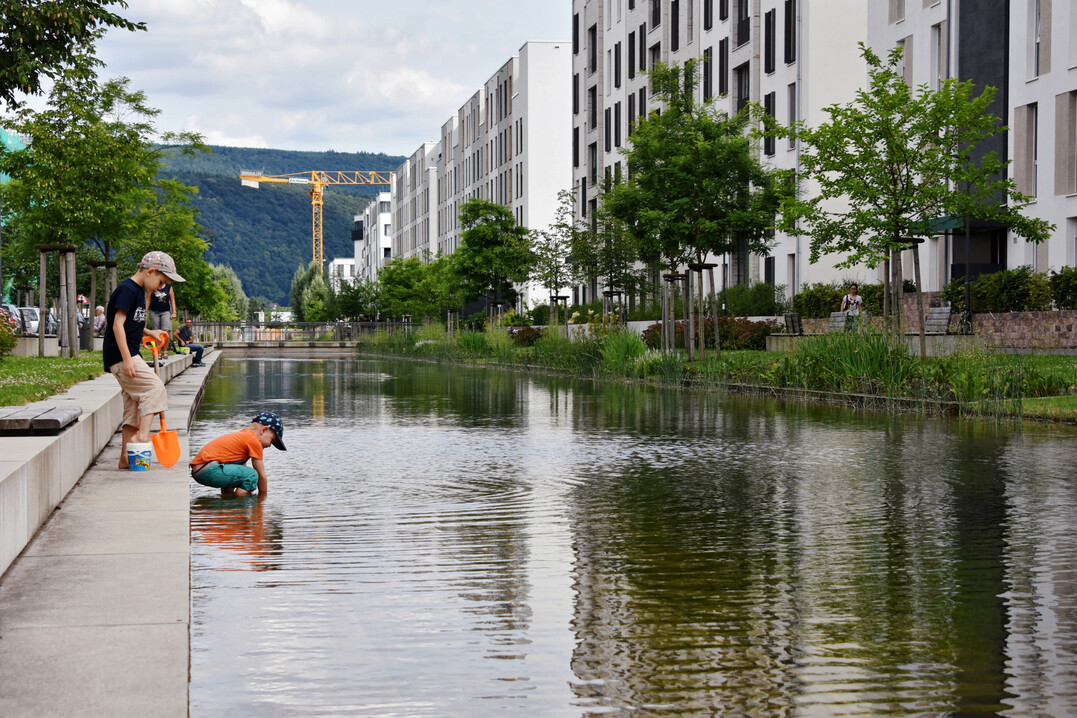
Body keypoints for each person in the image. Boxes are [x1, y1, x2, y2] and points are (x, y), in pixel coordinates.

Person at [103, 251, 185, 469]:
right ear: (150, 271)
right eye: (161, 281)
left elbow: (132, 325)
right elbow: (117, 325)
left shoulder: (140, 292)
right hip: (123, 357)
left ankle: (124, 459)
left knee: (133, 406)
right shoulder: (127, 290)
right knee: (156, 388)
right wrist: (127, 358)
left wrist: (150, 331)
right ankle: (141, 438)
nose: (161, 288)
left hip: (127, 355)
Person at [189, 412, 287, 496]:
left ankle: (229, 503)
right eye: (272, 440)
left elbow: (239, 473)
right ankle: (238, 503)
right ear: (263, 430)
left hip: (201, 470)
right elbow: (261, 475)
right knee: (252, 475)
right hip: (209, 469)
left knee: (240, 472)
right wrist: (263, 498)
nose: (270, 445)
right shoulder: (254, 441)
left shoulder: (243, 437)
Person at [147, 282, 176, 354]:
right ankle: (158, 351)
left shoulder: (169, 287)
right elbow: (148, 299)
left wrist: (174, 312)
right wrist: (145, 311)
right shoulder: (152, 286)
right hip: (154, 311)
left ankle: (165, 351)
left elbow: (172, 300)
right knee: (156, 332)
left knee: (166, 331)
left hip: (165, 311)